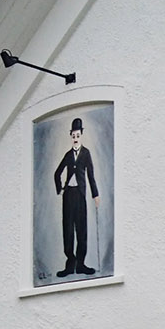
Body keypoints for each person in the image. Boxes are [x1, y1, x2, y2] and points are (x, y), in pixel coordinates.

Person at [52, 117, 100, 276]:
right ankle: (69, 265)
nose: (75, 138)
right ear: (70, 136)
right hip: (68, 196)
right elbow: (57, 173)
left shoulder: (86, 153)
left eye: (78, 135)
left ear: (81, 135)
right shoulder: (67, 155)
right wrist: (60, 189)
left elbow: (91, 176)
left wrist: (95, 194)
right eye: (73, 136)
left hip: (80, 196)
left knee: (81, 230)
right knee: (68, 230)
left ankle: (81, 264)